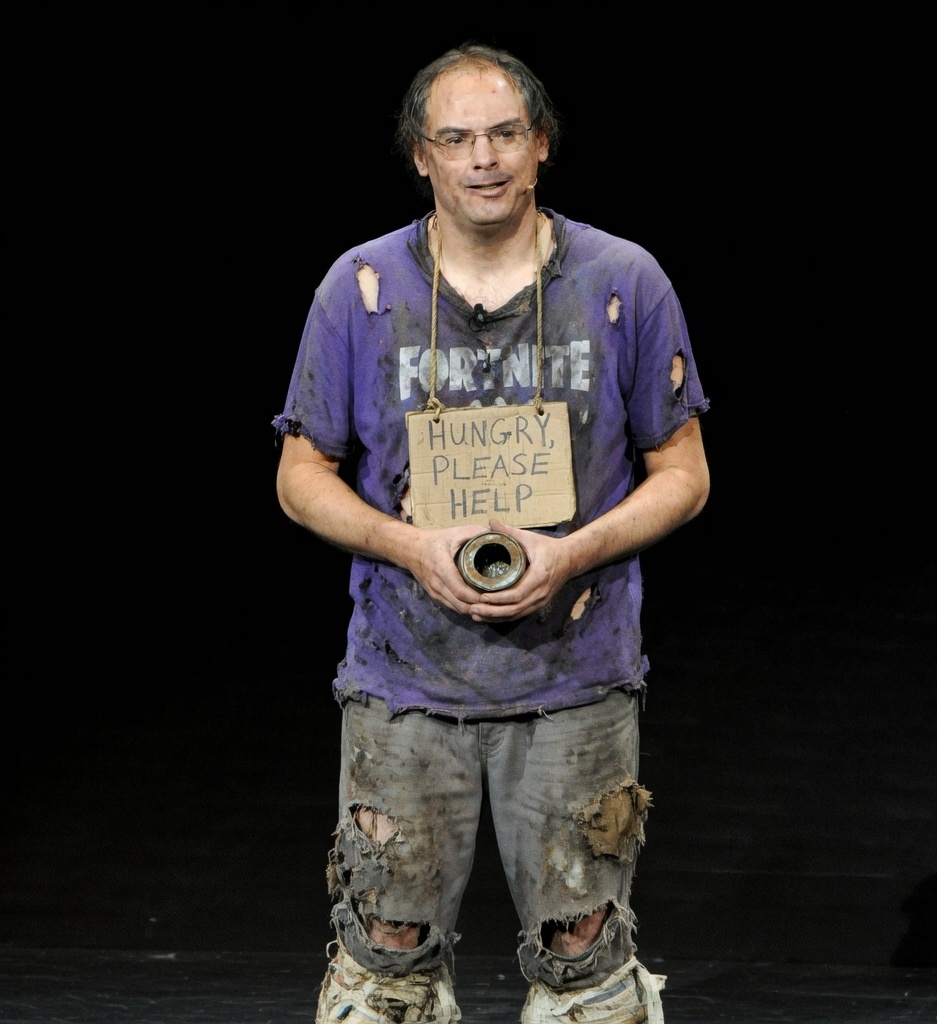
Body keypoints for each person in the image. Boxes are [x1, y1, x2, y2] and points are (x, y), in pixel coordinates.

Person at [272, 41, 711, 1024]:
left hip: (575, 674)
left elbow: (684, 473)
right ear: (420, 155)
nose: (484, 158)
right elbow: (300, 474)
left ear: (541, 143)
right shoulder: (359, 288)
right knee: (384, 956)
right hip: (405, 677)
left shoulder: (623, 280)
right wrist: (407, 546)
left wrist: (573, 552)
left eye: (506, 133)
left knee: (584, 956)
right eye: (457, 138)